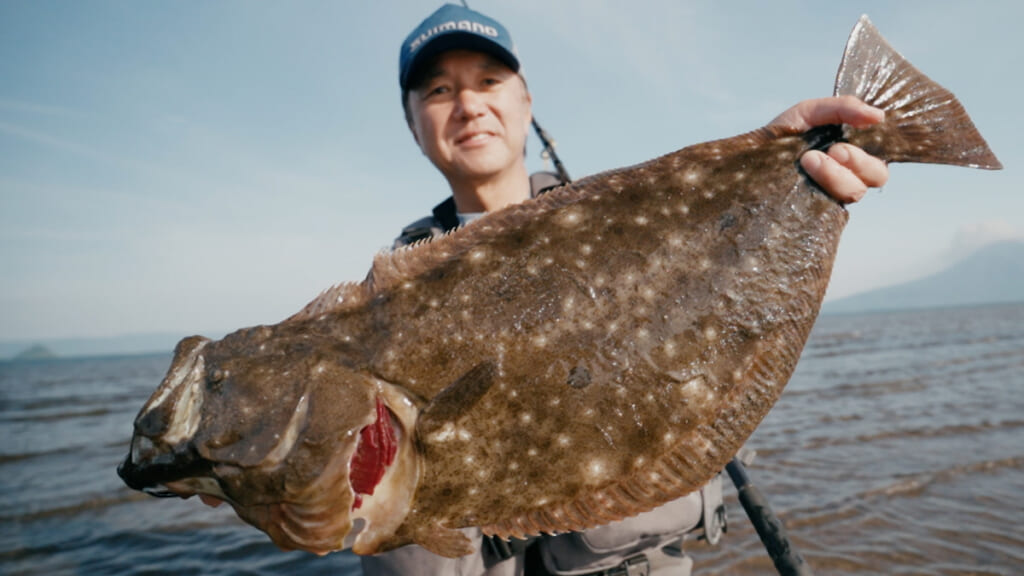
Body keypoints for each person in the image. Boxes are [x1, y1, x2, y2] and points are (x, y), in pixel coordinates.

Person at [361, 4, 889, 576]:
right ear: (413, 124)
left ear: (526, 102)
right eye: (439, 90)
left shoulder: (629, 215)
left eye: (489, 81)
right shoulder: (386, 300)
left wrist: (778, 158)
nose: (468, 104)